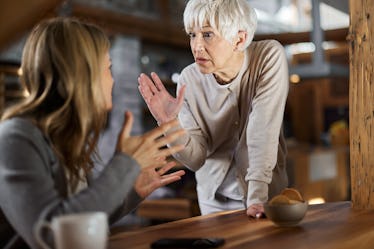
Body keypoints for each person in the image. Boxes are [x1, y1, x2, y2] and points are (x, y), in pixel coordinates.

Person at [0, 17, 186, 249]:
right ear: (81, 74)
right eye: (107, 68)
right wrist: (125, 164)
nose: (113, 80)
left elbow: (82, 220)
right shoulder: (15, 137)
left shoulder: (65, 136)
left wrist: (131, 193)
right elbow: (52, 235)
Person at [138, 0, 289, 218]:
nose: (196, 45)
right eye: (192, 35)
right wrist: (169, 124)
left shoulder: (268, 56)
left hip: (264, 195)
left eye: (207, 34)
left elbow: (262, 129)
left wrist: (257, 198)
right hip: (213, 204)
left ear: (239, 39)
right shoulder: (188, 80)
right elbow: (195, 158)